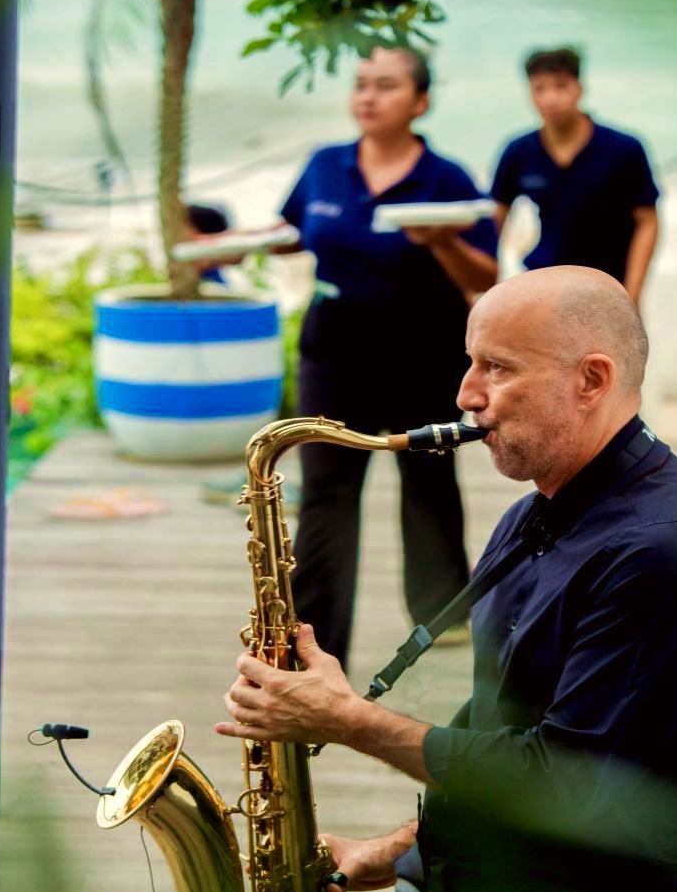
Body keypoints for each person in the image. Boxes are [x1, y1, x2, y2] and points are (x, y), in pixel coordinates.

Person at [216, 266, 677, 892]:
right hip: (463, 886)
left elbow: (570, 783)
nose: (466, 395)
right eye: (471, 363)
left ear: (591, 380)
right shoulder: (537, 512)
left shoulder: (664, 555)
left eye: (496, 368)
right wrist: (405, 849)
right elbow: (501, 730)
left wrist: (350, 719)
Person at [197, 45, 498, 666]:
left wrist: (441, 241)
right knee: (328, 490)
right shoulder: (326, 166)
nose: (368, 96)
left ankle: (444, 619)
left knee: (429, 478)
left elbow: (486, 271)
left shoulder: (445, 178)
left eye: (386, 86)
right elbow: (293, 234)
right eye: (361, 83)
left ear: (420, 101)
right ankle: (314, 639)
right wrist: (230, 246)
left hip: (424, 344)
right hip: (335, 347)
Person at [490, 47, 661, 305]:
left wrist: (633, 295)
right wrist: (486, 282)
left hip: (609, 287)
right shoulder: (519, 151)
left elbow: (647, 222)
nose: (550, 99)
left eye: (561, 86)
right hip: (544, 282)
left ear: (579, 88)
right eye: (540, 89)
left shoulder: (624, 149)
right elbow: (495, 216)